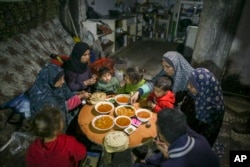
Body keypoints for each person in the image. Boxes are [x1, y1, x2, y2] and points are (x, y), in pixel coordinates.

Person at [133, 108, 220, 167]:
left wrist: (165, 156)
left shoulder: (170, 164)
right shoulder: (201, 139)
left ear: (161, 137)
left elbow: (171, 161)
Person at [181, 68, 225, 146]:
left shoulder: (213, 110)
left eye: (192, 86)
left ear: (203, 88)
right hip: (188, 130)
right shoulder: (194, 94)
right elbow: (183, 110)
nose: (188, 87)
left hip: (198, 141)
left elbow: (206, 135)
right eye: (189, 84)